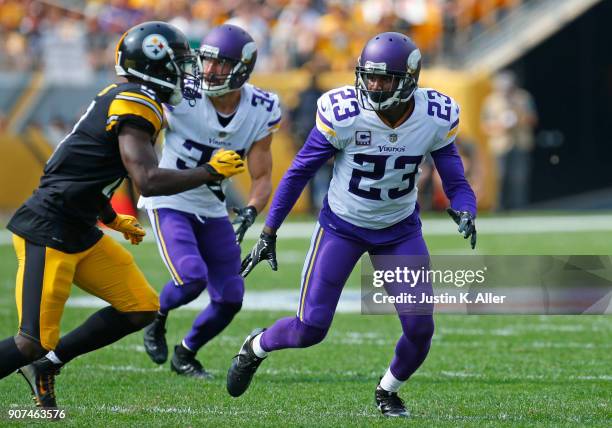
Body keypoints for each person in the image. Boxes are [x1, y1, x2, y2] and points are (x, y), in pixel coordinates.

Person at [227, 32, 477, 418]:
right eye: (369, 76)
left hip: (399, 231)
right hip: (342, 227)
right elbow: (298, 173)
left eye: (384, 78)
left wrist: (465, 207)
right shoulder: (345, 113)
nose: (373, 85)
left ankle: (387, 390)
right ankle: (256, 346)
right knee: (310, 329)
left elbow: (456, 180)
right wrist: (269, 231)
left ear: (409, 79)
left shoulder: (434, 116)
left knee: (420, 329)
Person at [0, 21, 245, 408]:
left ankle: (46, 366)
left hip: (78, 227)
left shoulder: (125, 96)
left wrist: (110, 218)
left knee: (140, 307)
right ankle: (39, 359)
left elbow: (76, 170)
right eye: (179, 62)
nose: (185, 71)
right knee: (31, 341)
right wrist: (210, 171)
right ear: (154, 64)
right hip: (48, 230)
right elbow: (146, 179)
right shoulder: (137, 100)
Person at [140, 24, 280, 378]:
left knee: (231, 296)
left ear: (242, 67)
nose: (209, 70)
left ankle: (186, 353)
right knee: (191, 278)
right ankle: (154, 317)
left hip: (211, 205)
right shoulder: (179, 94)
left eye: (220, 64)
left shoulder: (262, 108)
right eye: (206, 60)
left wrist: (250, 211)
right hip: (170, 198)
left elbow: (262, 176)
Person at [481, 70, 537, 210]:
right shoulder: (491, 101)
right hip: (500, 144)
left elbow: (532, 120)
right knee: (499, 177)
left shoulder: (523, 98)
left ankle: (519, 207)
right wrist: (501, 125)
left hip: (520, 142)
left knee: (519, 177)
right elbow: (484, 125)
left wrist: (518, 117)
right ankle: (499, 208)